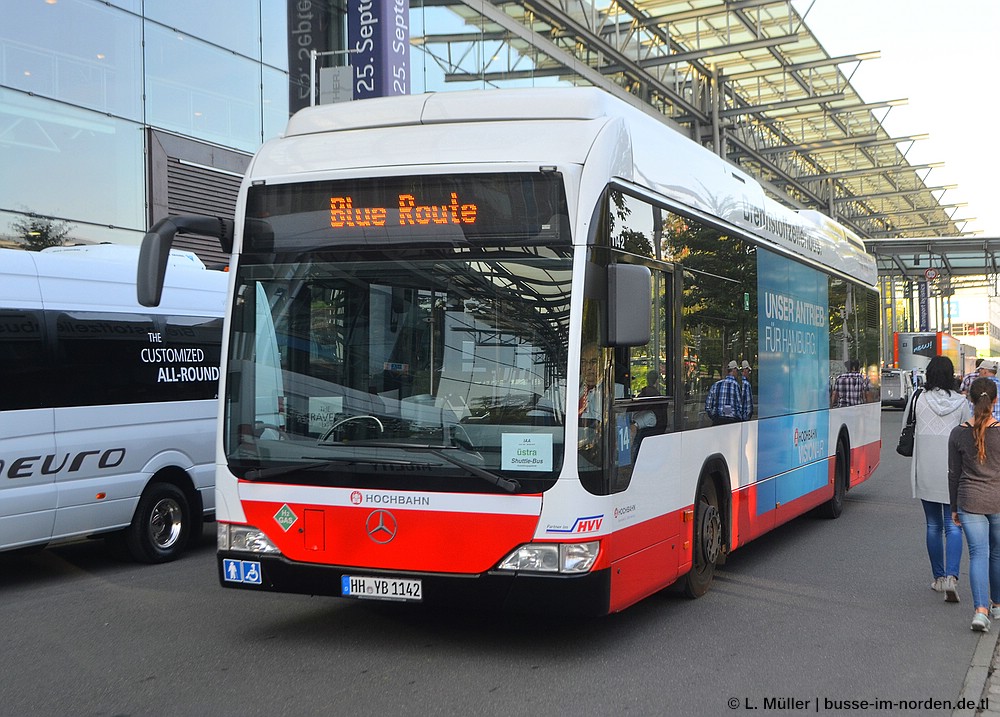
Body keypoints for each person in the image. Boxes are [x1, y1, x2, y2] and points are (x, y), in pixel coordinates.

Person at [905, 355, 969, 603]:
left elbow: (906, 427)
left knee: (933, 525)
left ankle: (939, 578)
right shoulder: (961, 402)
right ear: (951, 375)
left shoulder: (918, 398)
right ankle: (953, 577)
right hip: (954, 471)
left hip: (927, 469)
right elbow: (967, 436)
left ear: (929, 374)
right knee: (954, 525)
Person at [949, 377, 1000, 632]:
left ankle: (980, 612)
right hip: (998, 500)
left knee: (978, 554)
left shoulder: (958, 433)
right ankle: (997, 604)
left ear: (969, 400)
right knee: (998, 553)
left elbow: (954, 474)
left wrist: (954, 507)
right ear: (995, 401)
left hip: (969, 501)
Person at [705, 360, 744, 425]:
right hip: (732, 421)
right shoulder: (735, 385)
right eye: (737, 371)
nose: (737, 373)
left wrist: (714, 418)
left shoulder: (716, 385)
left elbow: (708, 406)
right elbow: (740, 406)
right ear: (734, 370)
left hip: (718, 420)